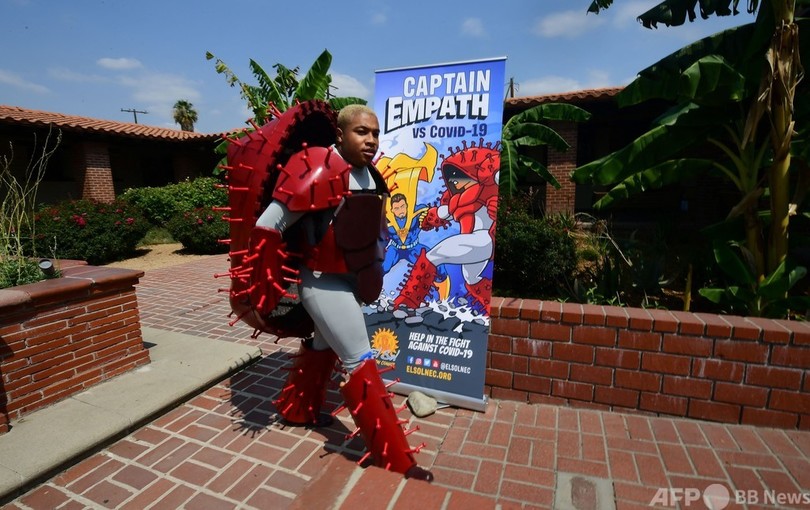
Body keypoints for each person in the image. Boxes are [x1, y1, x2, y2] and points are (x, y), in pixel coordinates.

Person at [224, 102, 433, 482]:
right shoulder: (318, 167)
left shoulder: (371, 175)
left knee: (324, 344)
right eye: (361, 132)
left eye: (374, 133)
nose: (370, 140)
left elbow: (371, 231)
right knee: (358, 357)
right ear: (341, 134)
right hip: (322, 282)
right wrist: (265, 282)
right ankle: (395, 457)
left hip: (353, 280)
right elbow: (269, 225)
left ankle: (297, 408)